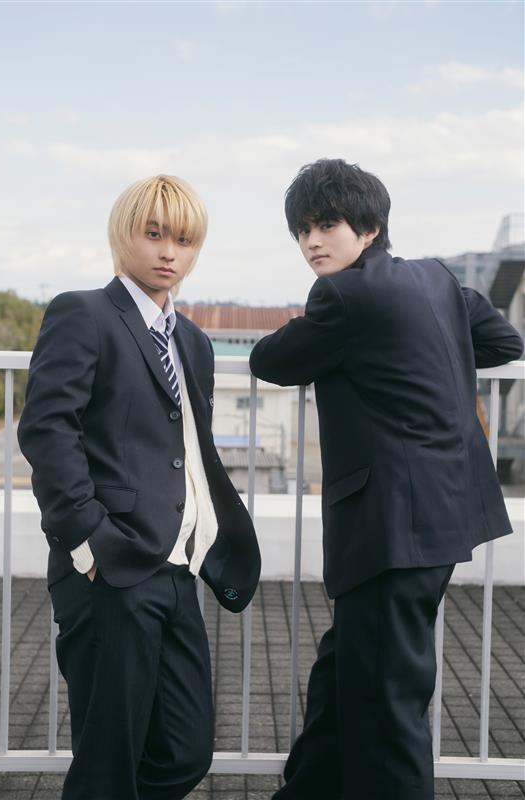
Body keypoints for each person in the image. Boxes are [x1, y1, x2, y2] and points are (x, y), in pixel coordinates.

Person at [249, 158, 523, 800]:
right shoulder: (435, 279)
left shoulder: (344, 296)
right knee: (348, 669)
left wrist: (343, 348)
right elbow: (504, 342)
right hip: (444, 514)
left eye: (327, 225)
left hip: (390, 526)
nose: (312, 242)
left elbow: (271, 361)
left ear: (369, 228)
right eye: (302, 231)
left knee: (386, 704)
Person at [18, 174, 261, 800]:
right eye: (154, 235)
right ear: (123, 234)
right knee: (109, 758)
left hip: (176, 569)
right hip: (108, 566)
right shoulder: (84, 313)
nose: (168, 253)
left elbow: (186, 449)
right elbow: (48, 431)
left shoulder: (194, 342)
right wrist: (89, 543)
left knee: (185, 750)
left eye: (183, 240)